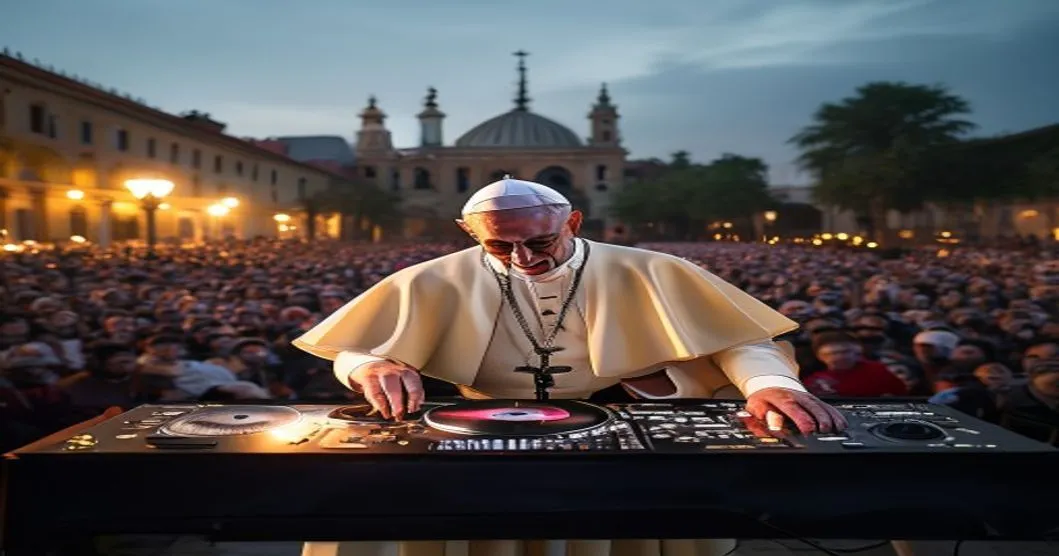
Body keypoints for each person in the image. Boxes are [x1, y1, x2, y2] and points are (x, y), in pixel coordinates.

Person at [294, 177, 848, 556]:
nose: (526, 260)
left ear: (574, 221)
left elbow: (739, 339)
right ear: (469, 234)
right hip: (481, 438)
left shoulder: (653, 269)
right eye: (500, 248)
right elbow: (358, 345)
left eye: (540, 241)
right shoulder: (432, 278)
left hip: (612, 432)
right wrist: (368, 366)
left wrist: (769, 384)